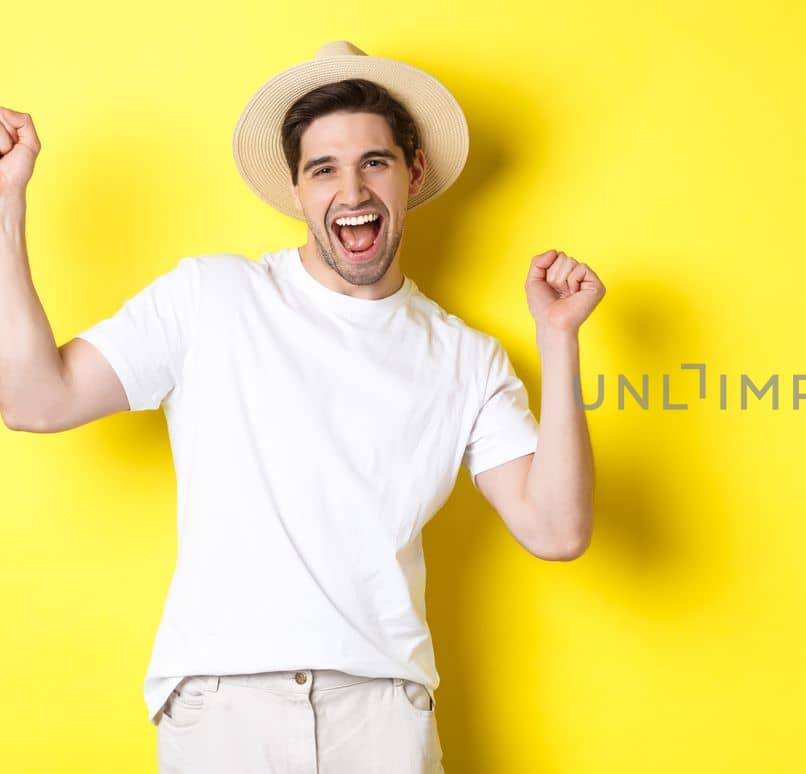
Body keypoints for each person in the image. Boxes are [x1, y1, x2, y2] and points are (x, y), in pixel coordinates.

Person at [0, 40, 603, 773]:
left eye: (374, 162)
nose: (351, 191)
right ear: (296, 189)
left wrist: (560, 338)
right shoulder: (210, 298)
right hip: (221, 710)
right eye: (324, 169)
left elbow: (556, 528)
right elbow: (34, 399)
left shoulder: (465, 358)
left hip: (382, 716)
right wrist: (7, 202)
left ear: (413, 173)